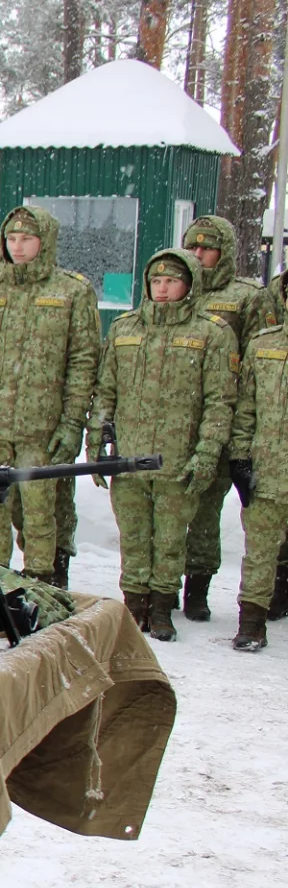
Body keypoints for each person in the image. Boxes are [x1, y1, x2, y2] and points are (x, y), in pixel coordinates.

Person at [92, 248, 238, 640]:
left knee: (170, 538)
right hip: (130, 457)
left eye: (171, 281)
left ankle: (161, 607)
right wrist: (97, 438)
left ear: (188, 285)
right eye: (156, 281)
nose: (162, 289)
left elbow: (219, 401)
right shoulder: (125, 329)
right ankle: (133, 603)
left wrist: (207, 452)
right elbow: (106, 389)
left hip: (177, 457)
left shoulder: (211, 333)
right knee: (134, 536)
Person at [0, 206, 99, 585]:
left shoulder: (71, 292)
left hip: (42, 426)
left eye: (27, 239)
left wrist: (71, 422)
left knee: (39, 510)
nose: (18, 246)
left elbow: (82, 363)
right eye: (11, 239)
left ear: (44, 242)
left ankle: (39, 582)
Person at [178, 214, 283, 620]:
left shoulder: (247, 297)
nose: (199, 254)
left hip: (227, 416)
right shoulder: (174, 288)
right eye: (193, 246)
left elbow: (263, 353)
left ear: (224, 253)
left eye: (207, 248)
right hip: (178, 415)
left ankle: (198, 587)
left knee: (207, 509)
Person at [228, 320, 288, 649]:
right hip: (269, 469)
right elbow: (245, 408)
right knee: (260, 553)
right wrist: (239, 458)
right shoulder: (263, 345)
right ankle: (251, 623)